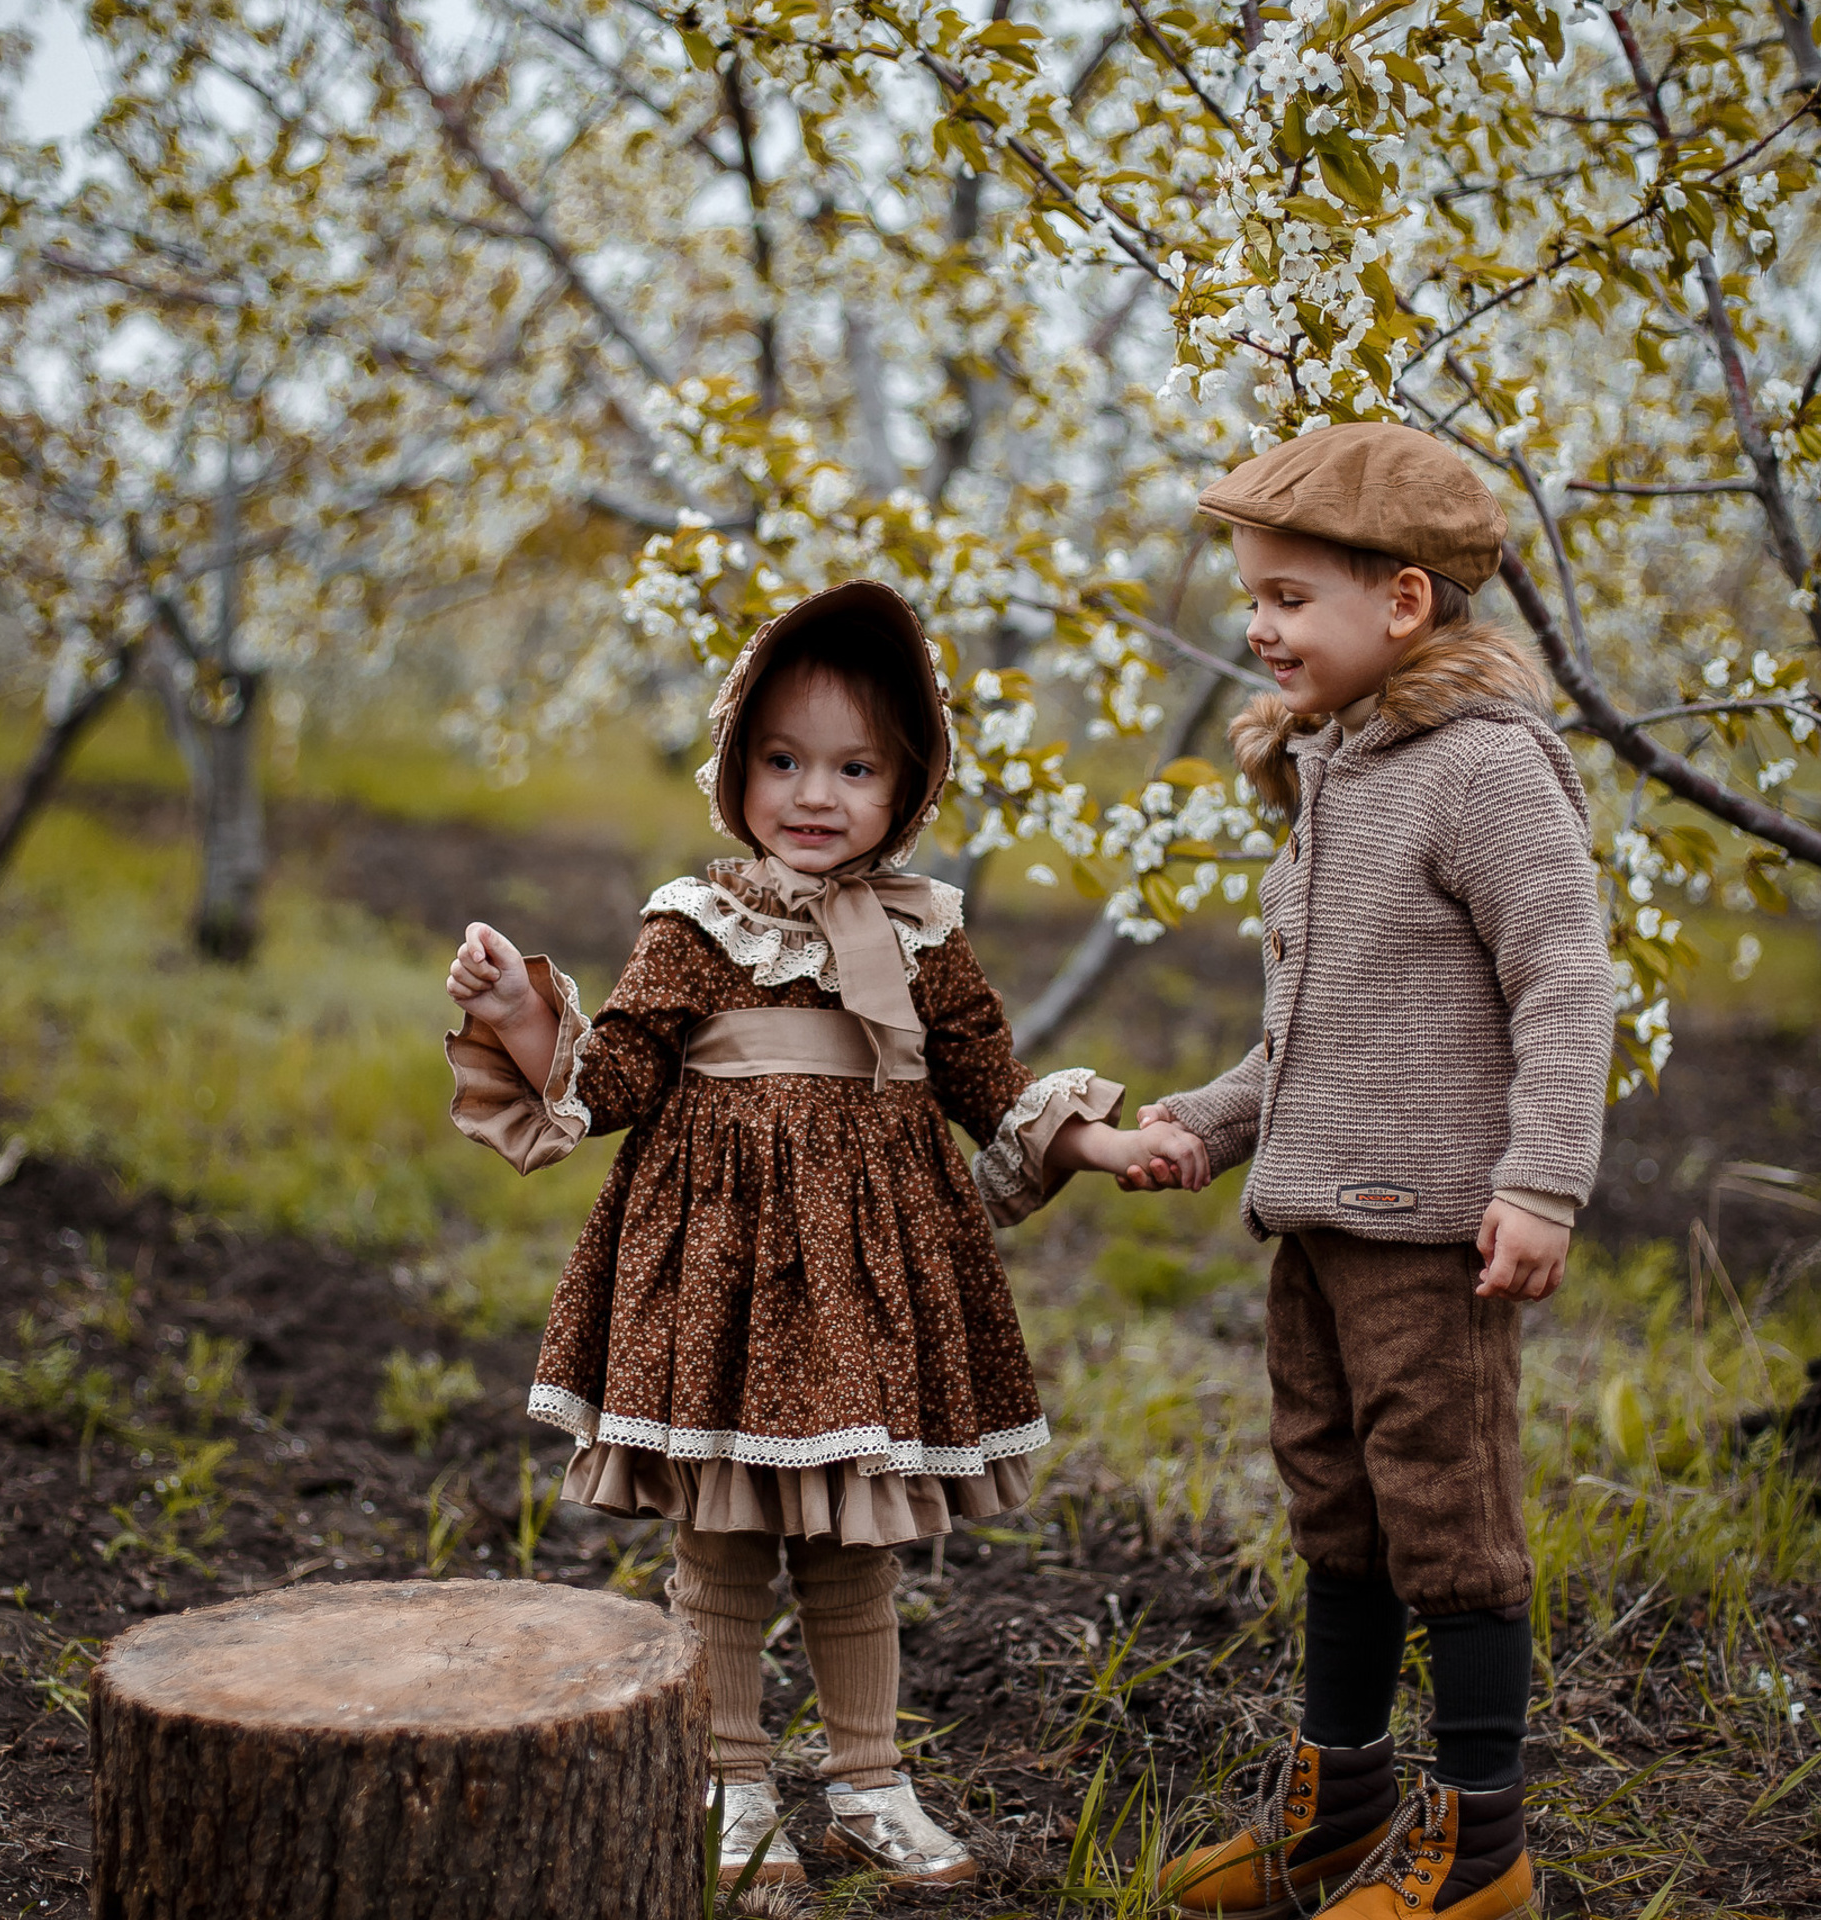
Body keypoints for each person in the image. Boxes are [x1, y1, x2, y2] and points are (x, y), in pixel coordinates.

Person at [443, 579, 1198, 1891]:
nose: (815, 793)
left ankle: (867, 1784)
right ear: (736, 764)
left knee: (857, 1544)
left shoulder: (924, 929)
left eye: (856, 767)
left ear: (908, 785)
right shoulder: (694, 922)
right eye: (784, 759)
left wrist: (1109, 1141)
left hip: (869, 1282)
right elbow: (615, 1079)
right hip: (721, 1276)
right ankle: (730, 1786)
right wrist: (520, 1011)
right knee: (725, 1538)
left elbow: (985, 1084)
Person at [1143, 424, 1614, 1920]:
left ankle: (1481, 1846)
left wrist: (1543, 1184)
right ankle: (1337, 1805)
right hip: (1317, 1238)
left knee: (1449, 1525)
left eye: (1288, 598)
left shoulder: (1478, 772)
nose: (1260, 630)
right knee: (1336, 1515)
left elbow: (1566, 979)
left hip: (1435, 1243)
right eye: (1252, 601)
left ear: (1402, 604)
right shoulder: (1336, 780)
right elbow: (1313, 1040)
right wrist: (1210, 1126)